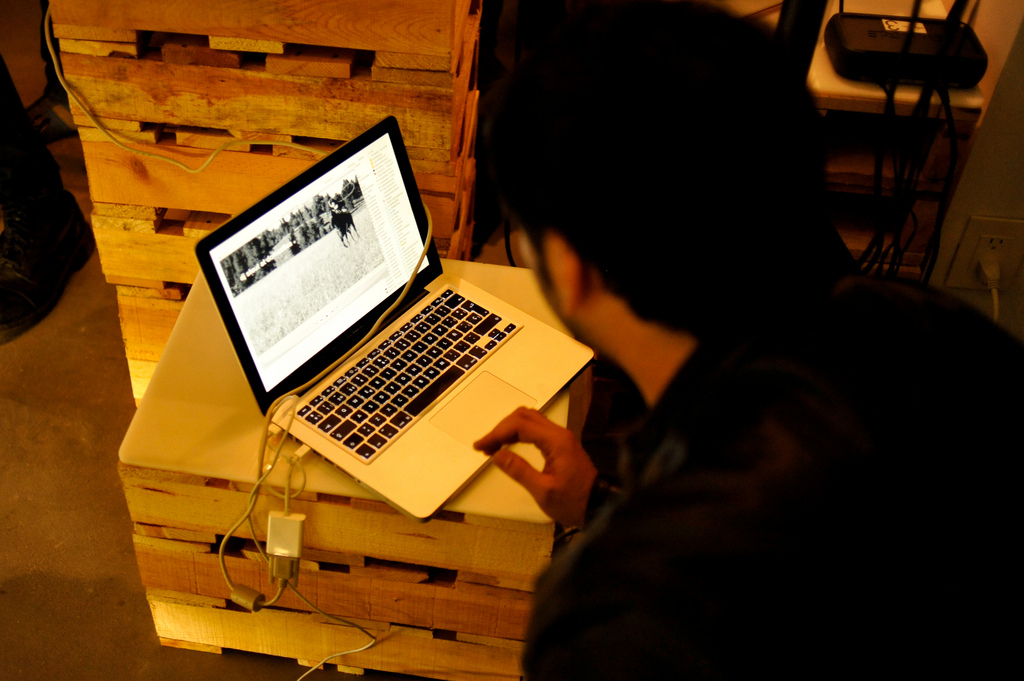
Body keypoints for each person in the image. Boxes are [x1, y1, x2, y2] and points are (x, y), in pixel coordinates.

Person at [473, 2, 1018, 679]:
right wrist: (605, 504)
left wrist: (632, 535)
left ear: (572, 269)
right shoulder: (923, 326)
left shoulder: (623, 616)